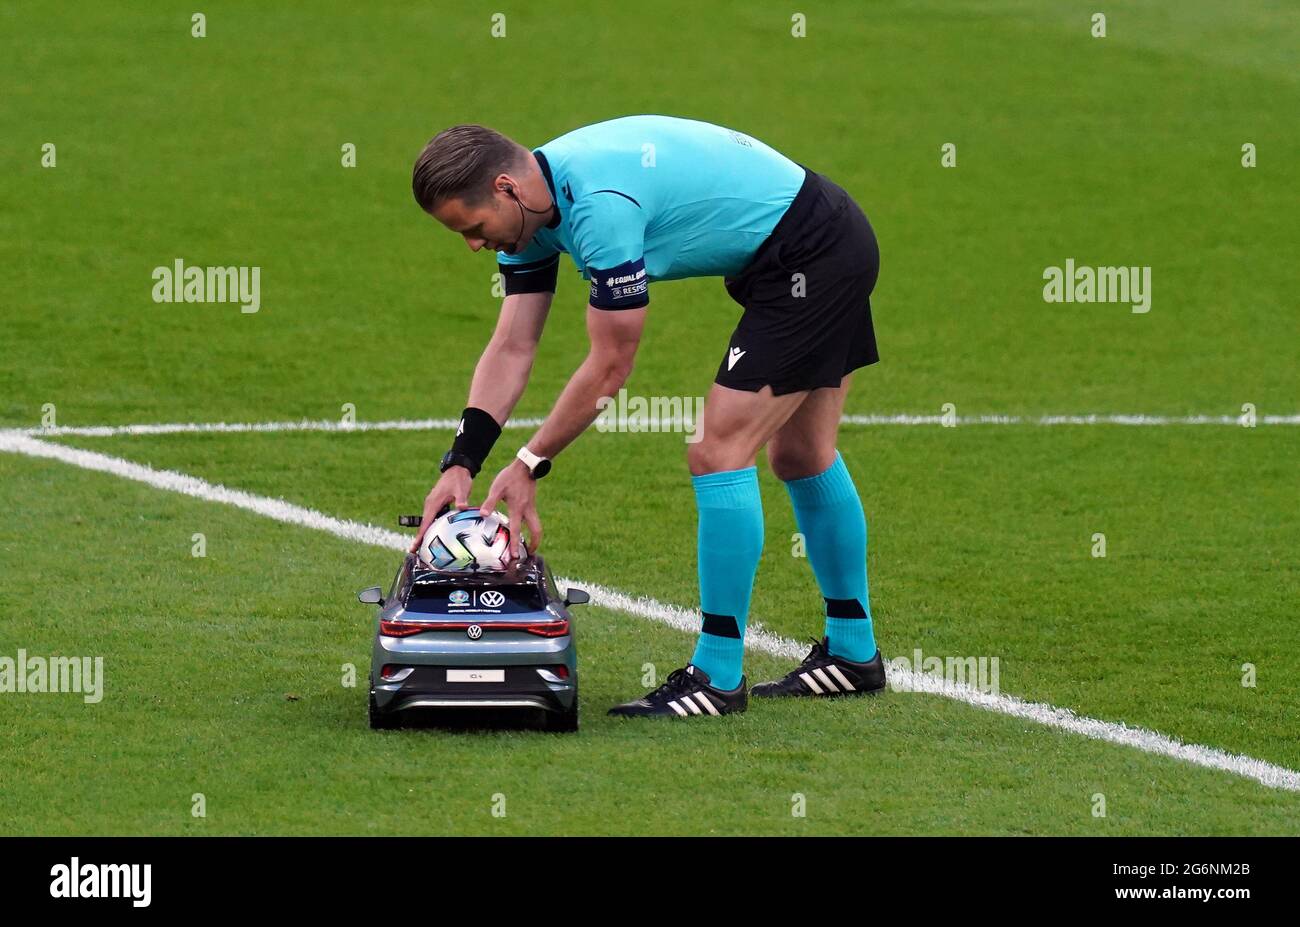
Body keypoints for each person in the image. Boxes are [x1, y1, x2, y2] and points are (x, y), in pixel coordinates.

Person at [409, 115, 886, 719]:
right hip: (808, 246)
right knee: (801, 455)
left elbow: (611, 365)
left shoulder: (599, 209)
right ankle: (852, 654)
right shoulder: (532, 206)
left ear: (506, 188)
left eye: (474, 229)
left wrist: (530, 461)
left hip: (812, 257)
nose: (475, 246)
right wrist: (462, 462)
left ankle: (715, 677)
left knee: (717, 452)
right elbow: (513, 345)